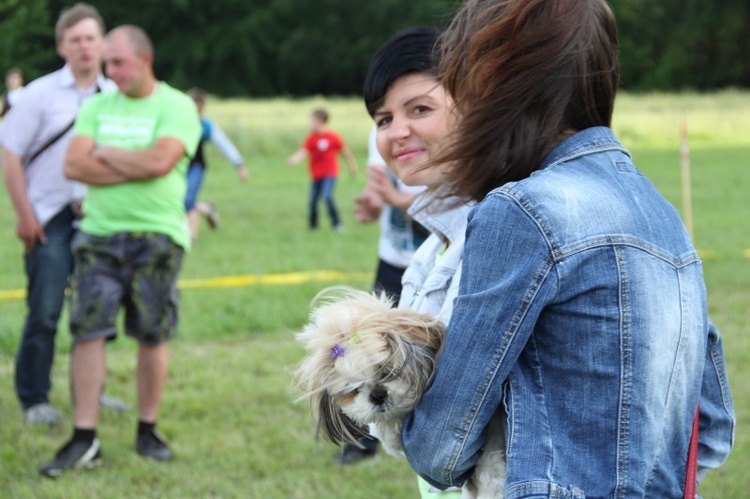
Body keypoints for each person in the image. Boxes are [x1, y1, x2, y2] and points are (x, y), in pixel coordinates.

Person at [402, 1, 736, 497]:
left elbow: (441, 449)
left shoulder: (522, 211)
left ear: (496, 83)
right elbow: (709, 431)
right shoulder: (663, 214)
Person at [39, 25, 200, 477]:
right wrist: (135, 161)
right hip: (97, 236)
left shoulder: (176, 105)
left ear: (144, 60)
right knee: (87, 332)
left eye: (117, 63)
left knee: (152, 334)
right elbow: (74, 164)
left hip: (157, 235)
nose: (108, 71)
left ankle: (147, 429)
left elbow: (161, 162)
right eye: (107, 63)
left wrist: (106, 154)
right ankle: (84, 436)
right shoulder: (96, 105)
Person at [0, 2, 125, 426]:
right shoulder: (38, 94)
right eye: (76, 40)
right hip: (48, 215)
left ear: (103, 44)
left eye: (91, 38)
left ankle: (92, 391)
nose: (85, 47)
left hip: (98, 217)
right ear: (61, 47)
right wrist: (24, 214)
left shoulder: (115, 97)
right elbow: (11, 155)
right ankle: (34, 397)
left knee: (95, 314)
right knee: (46, 309)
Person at [364, 27, 468, 497]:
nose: (396, 133)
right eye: (383, 119)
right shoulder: (431, 249)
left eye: (419, 109)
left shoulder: (504, 232)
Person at [336, 126, 431, 464]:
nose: (393, 125)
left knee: (425, 355)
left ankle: (427, 441)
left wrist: (398, 200)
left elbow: (454, 198)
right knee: (364, 352)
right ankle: (360, 441)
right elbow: (377, 187)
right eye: (383, 116)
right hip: (392, 260)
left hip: (436, 266)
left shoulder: (445, 128)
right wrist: (373, 203)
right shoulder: (381, 134)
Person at [185, 87, 249, 240]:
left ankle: (192, 236)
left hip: (196, 167)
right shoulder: (175, 121)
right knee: (177, 200)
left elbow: (224, 144)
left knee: (188, 199)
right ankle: (206, 209)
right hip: (176, 167)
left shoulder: (205, 125)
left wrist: (239, 164)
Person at [287, 108, 358, 232]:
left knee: (326, 196)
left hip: (330, 173)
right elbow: (303, 151)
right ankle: (313, 227)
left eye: (312, 120)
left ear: (320, 121)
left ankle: (337, 224)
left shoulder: (332, 136)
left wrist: (352, 165)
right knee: (313, 201)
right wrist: (294, 159)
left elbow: (345, 152)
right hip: (316, 175)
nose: (310, 123)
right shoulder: (311, 138)